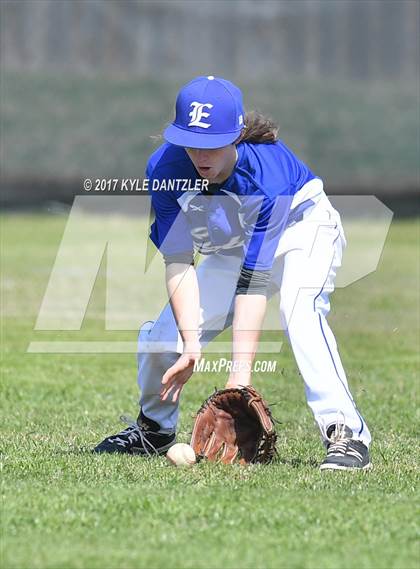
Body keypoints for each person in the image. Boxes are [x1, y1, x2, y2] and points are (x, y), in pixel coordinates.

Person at [94, 75, 371, 470]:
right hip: (235, 243)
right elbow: (178, 261)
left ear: (237, 135)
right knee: (162, 339)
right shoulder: (165, 168)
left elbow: (254, 284)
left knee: (300, 310)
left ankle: (346, 435)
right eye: (191, 142)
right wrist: (191, 345)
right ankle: (154, 429)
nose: (200, 154)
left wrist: (239, 378)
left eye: (211, 143)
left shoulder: (266, 175)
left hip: (303, 228)